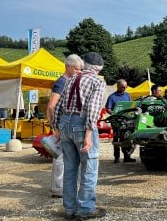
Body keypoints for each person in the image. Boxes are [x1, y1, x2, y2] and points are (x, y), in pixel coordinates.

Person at [52, 52, 107, 220]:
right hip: (82, 125)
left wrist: (57, 128)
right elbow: (93, 109)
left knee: (70, 169)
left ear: (84, 64)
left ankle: (69, 209)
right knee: (89, 169)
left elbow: (58, 105)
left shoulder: (70, 79)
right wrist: (89, 135)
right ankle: (85, 210)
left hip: (65, 123)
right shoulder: (98, 81)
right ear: (99, 68)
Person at [46, 54, 83, 198]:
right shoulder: (62, 82)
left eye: (80, 69)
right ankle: (57, 188)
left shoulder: (70, 81)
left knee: (65, 157)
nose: (79, 72)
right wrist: (54, 127)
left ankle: (62, 186)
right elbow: (51, 106)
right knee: (60, 157)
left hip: (65, 124)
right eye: (76, 69)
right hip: (61, 125)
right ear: (68, 66)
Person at [105, 79, 135, 163]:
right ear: (118, 87)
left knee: (126, 138)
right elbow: (108, 108)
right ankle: (117, 158)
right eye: (123, 87)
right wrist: (114, 114)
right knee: (116, 138)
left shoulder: (127, 95)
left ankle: (127, 157)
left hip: (126, 120)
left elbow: (131, 106)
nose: (125, 88)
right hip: (116, 121)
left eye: (126, 87)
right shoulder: (112, 97)